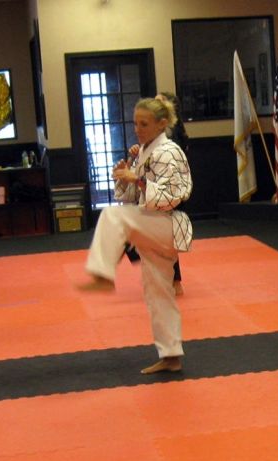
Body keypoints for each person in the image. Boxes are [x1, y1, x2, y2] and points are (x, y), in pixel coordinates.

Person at [78, 97, 193, 375]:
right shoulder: (145, 151)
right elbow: (132, 197)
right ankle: (171, 355)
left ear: (162, 124)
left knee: (112, 216)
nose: (137, 129)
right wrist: (123, 176)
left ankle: (103, 272)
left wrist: (137, 179)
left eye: (144, 124)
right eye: (135, 124)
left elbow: (174, 196)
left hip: (166, 223)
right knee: (158, 293)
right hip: (151, 225)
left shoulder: (170, 152)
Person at [128, 91, 189, 295]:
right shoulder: (152, 136)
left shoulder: (173, 139)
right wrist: (137, 154)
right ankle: (166, 278)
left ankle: (174, 281)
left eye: (159, 102)